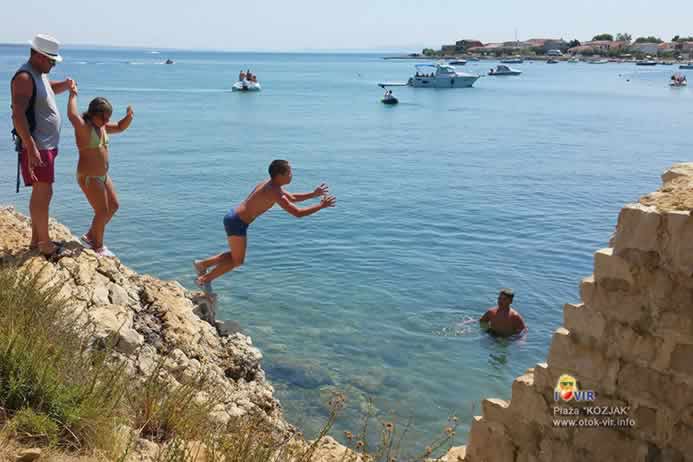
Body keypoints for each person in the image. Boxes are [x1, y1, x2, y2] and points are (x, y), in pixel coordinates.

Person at [193, 160, 336, 288]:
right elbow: (297, 213)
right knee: (237, 261)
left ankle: (202, 264)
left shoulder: (271, 185)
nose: (292, 175)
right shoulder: (274, 191)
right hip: (237, 222)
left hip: (235, 218)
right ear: (280, 175)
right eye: (289, 173)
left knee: (235, 256)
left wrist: (313, 194)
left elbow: (291, 197)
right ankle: (204, 279)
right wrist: (321, 206)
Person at [11, 34, 74, 257]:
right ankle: (45, 244)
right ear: (38, 56)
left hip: (46, 145)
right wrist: (30, 145)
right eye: (51, 60)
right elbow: (17, 113)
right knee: (43, 192)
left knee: (44, 192)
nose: (53, 64)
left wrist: (65, 86)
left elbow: (45, 91)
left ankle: (36, 240)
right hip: (37, 146)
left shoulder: (39, 74)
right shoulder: (25, 77)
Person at [67, 88, 134, 257]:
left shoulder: (102, 127)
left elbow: (119, 127)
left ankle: (90, 235)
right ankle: (98, 246)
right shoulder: (84, 127)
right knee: (102, 211)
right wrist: (72, 95)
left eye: (108, 117)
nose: (106, 120)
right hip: (89, 177)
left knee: (114, 205)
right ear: (92, 114)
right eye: (103, 117)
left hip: (103, 175)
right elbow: (72, 115)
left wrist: (128, 117)